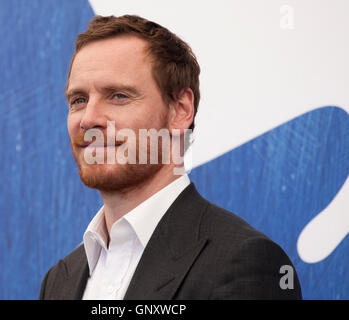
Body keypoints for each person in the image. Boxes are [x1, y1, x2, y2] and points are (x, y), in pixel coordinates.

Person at [39, 14, 302, 300]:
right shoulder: (59, 281)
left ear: (180, 110)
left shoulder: (245, 263)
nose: (88, 119)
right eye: (78, 100)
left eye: (118, 96)